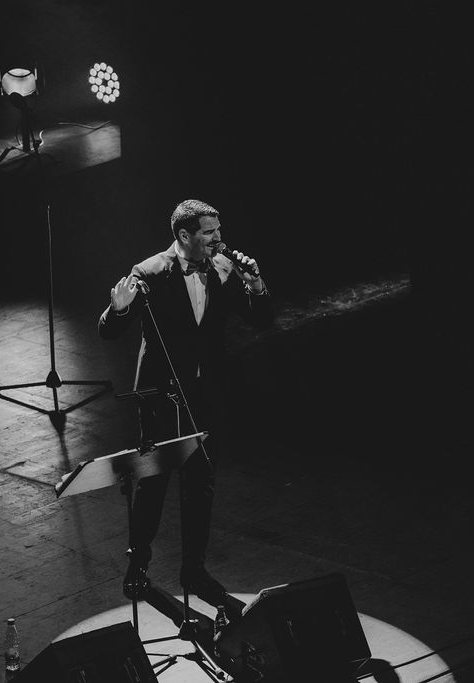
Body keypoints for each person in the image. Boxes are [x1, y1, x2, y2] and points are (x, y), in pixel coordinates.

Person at [98, 198, 273, 605]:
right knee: (153, 484)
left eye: (217, 230)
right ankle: (138, 565)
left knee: (201, 486)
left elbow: (261, 319)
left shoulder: (224, 269)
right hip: (160, 395)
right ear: (184, 235)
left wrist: (256, 284)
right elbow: (108, 331)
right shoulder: (149, 272)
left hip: (205, 393)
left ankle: (194, 571)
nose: (218, 238)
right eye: (209, 232)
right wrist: (117, 309)